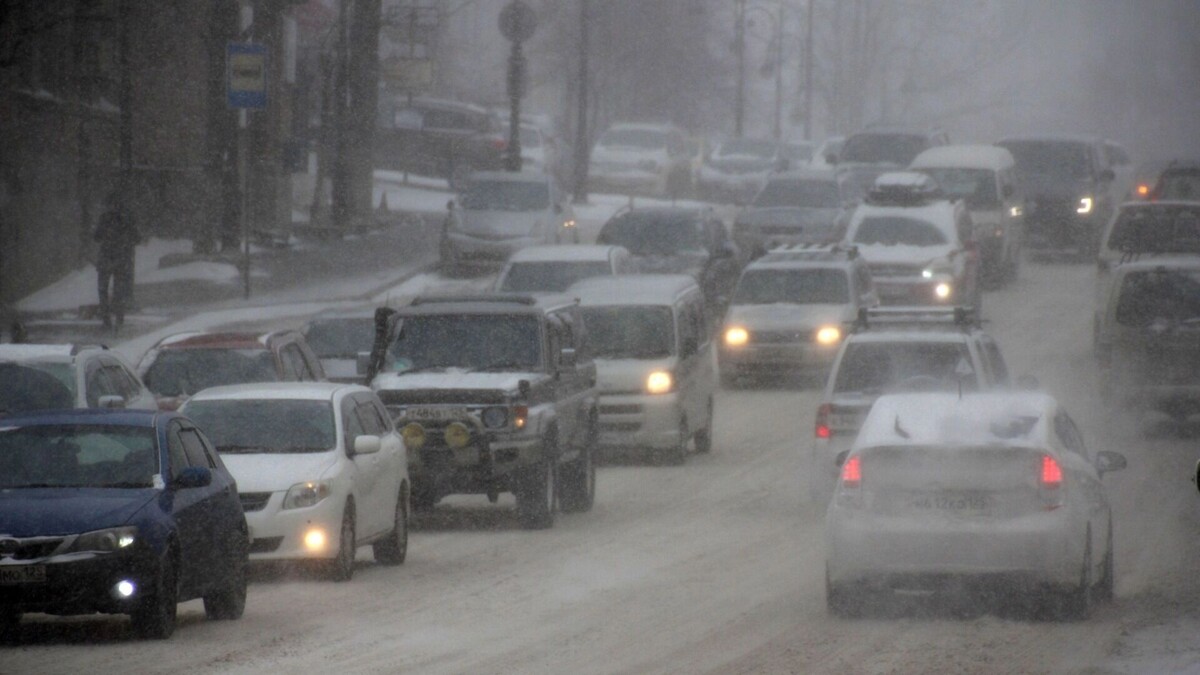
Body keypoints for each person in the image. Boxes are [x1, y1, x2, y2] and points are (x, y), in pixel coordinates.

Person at [94, 192, 139, 328]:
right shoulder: (127, 219)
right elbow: (137, 237)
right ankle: (119, 318)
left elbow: (96, 237)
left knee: (103, 289)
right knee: (119, 290)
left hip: (106, 258)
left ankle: (106, 319)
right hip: (121, 259)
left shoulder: (104, 218)